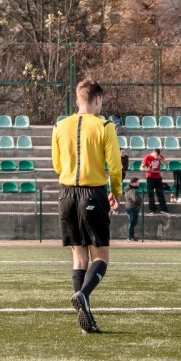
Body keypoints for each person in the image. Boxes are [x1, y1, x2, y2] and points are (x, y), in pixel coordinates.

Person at [51, 78, 122, 334]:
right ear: (97, 100)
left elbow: (57, 165)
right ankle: (83, 295)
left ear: (76, 99)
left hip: (66, 194)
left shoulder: (60, 125)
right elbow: (114, 165)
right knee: (101, 257)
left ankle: (86, 320)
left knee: (79, 258)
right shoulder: (105, 126)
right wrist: (115, 191)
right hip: (93, 193)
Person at [140, 148, 169, 214]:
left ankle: (164, 209)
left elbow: (166, 164)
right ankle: (152, 209)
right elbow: (141, 168)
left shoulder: (160, 156)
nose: (156, 157)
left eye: (157, 155)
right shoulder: (147, 157)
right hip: (150, 177)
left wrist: (161, 159)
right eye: (155, 155)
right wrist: (147, 170)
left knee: (160, 193)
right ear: (154, 152)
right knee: (151, 194)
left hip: (158, 177)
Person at [125, 177, 142, 242]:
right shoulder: (132, 190)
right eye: (137, 182)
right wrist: (141, 200)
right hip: (132, 207)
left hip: (130, 207)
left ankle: (131, 236)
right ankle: (130, 237)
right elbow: (136, 199)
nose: (138, 184)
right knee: (132, 222)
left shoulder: (128, 189)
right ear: (134, 183)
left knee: (132, 222)